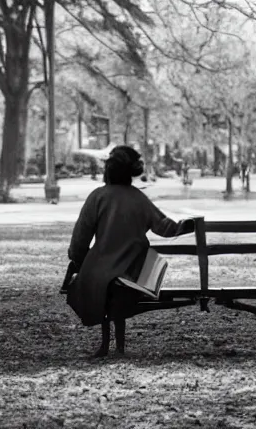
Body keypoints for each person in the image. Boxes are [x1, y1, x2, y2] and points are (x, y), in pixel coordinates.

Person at [62, 145, 195, 357]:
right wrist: (188, 226)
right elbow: (164, 227)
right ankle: (120, 347)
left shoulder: (97, 197)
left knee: (101, 287)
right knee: (117, 289)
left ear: (108, 171)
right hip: (135, 271)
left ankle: (105, 345)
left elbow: (80, 237)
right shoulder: (138, 198)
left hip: (100, 268)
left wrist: (78, 260)